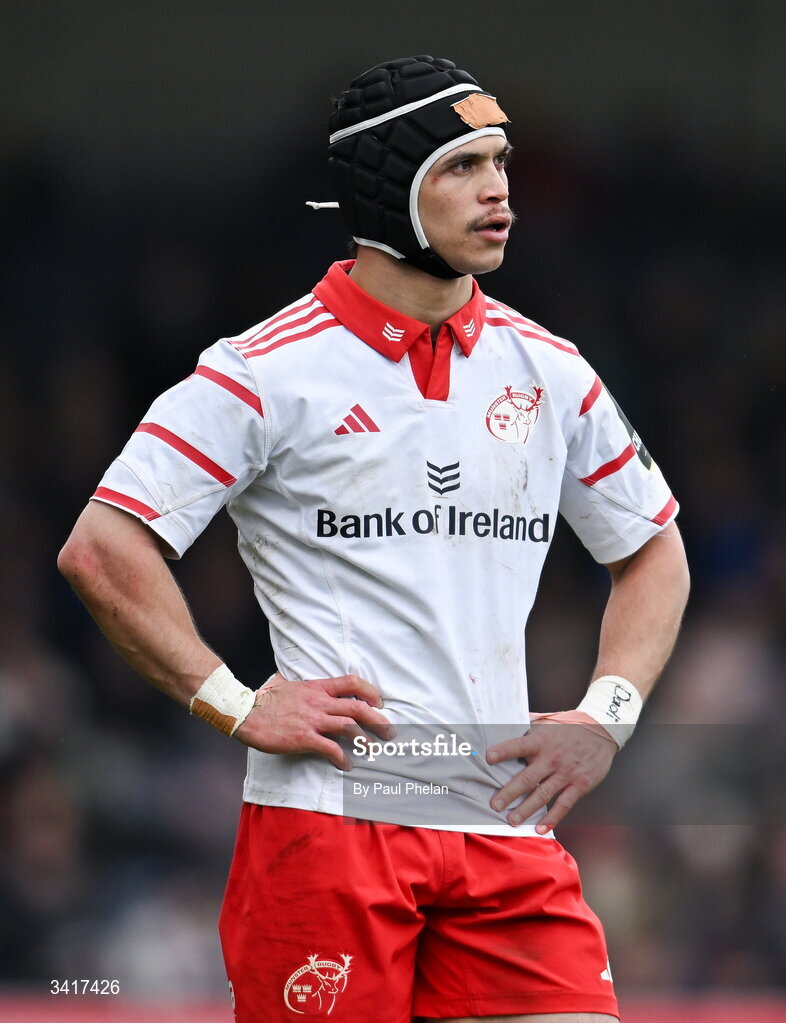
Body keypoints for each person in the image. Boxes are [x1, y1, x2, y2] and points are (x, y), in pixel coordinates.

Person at [58, 55, 690, 1023]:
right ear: (390, 188)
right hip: (329, 826)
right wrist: (232, 700)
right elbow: (102, 547)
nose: (499, 190)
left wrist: (605, 716)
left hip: (499, 818)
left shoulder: (553, 371)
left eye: (503, 163)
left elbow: (652, 551)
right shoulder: (263, 372)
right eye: (463, 165)